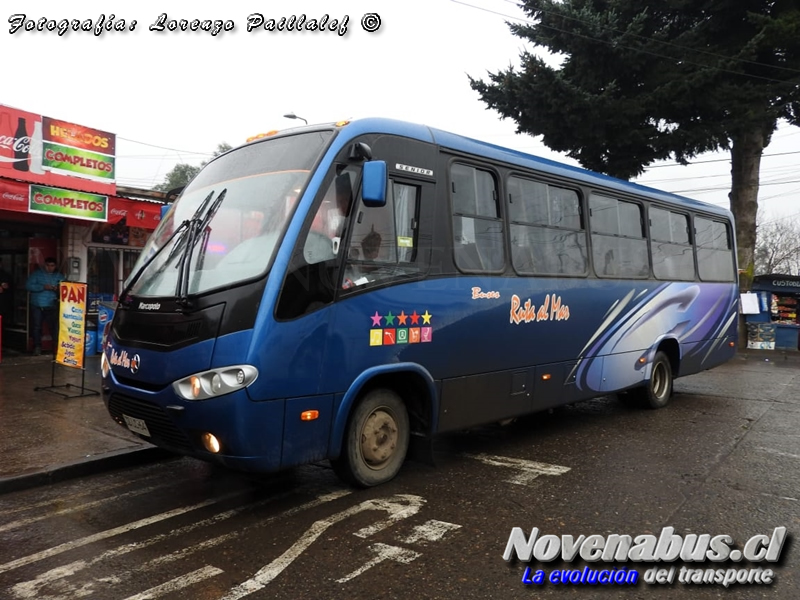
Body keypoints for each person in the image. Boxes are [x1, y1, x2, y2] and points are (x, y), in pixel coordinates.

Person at [25, 257, 64, 355]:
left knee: (54, 328)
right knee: (37, 327)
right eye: (48, 265)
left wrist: (57, 289)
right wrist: (43, 287)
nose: (50, 268)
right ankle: (37, 347)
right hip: (37, 305)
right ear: (44, 265)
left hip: (52, 304)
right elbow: (28, 286)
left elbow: (65, 288)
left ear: (55, 266)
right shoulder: (37, 274)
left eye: (52, 266)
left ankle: (56, 348)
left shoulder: (59, 276)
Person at [0, 264, 11, 340]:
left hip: (2, 303)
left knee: (1, 324)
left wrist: (5, 286)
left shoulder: (4, 274)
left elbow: (7, 286)